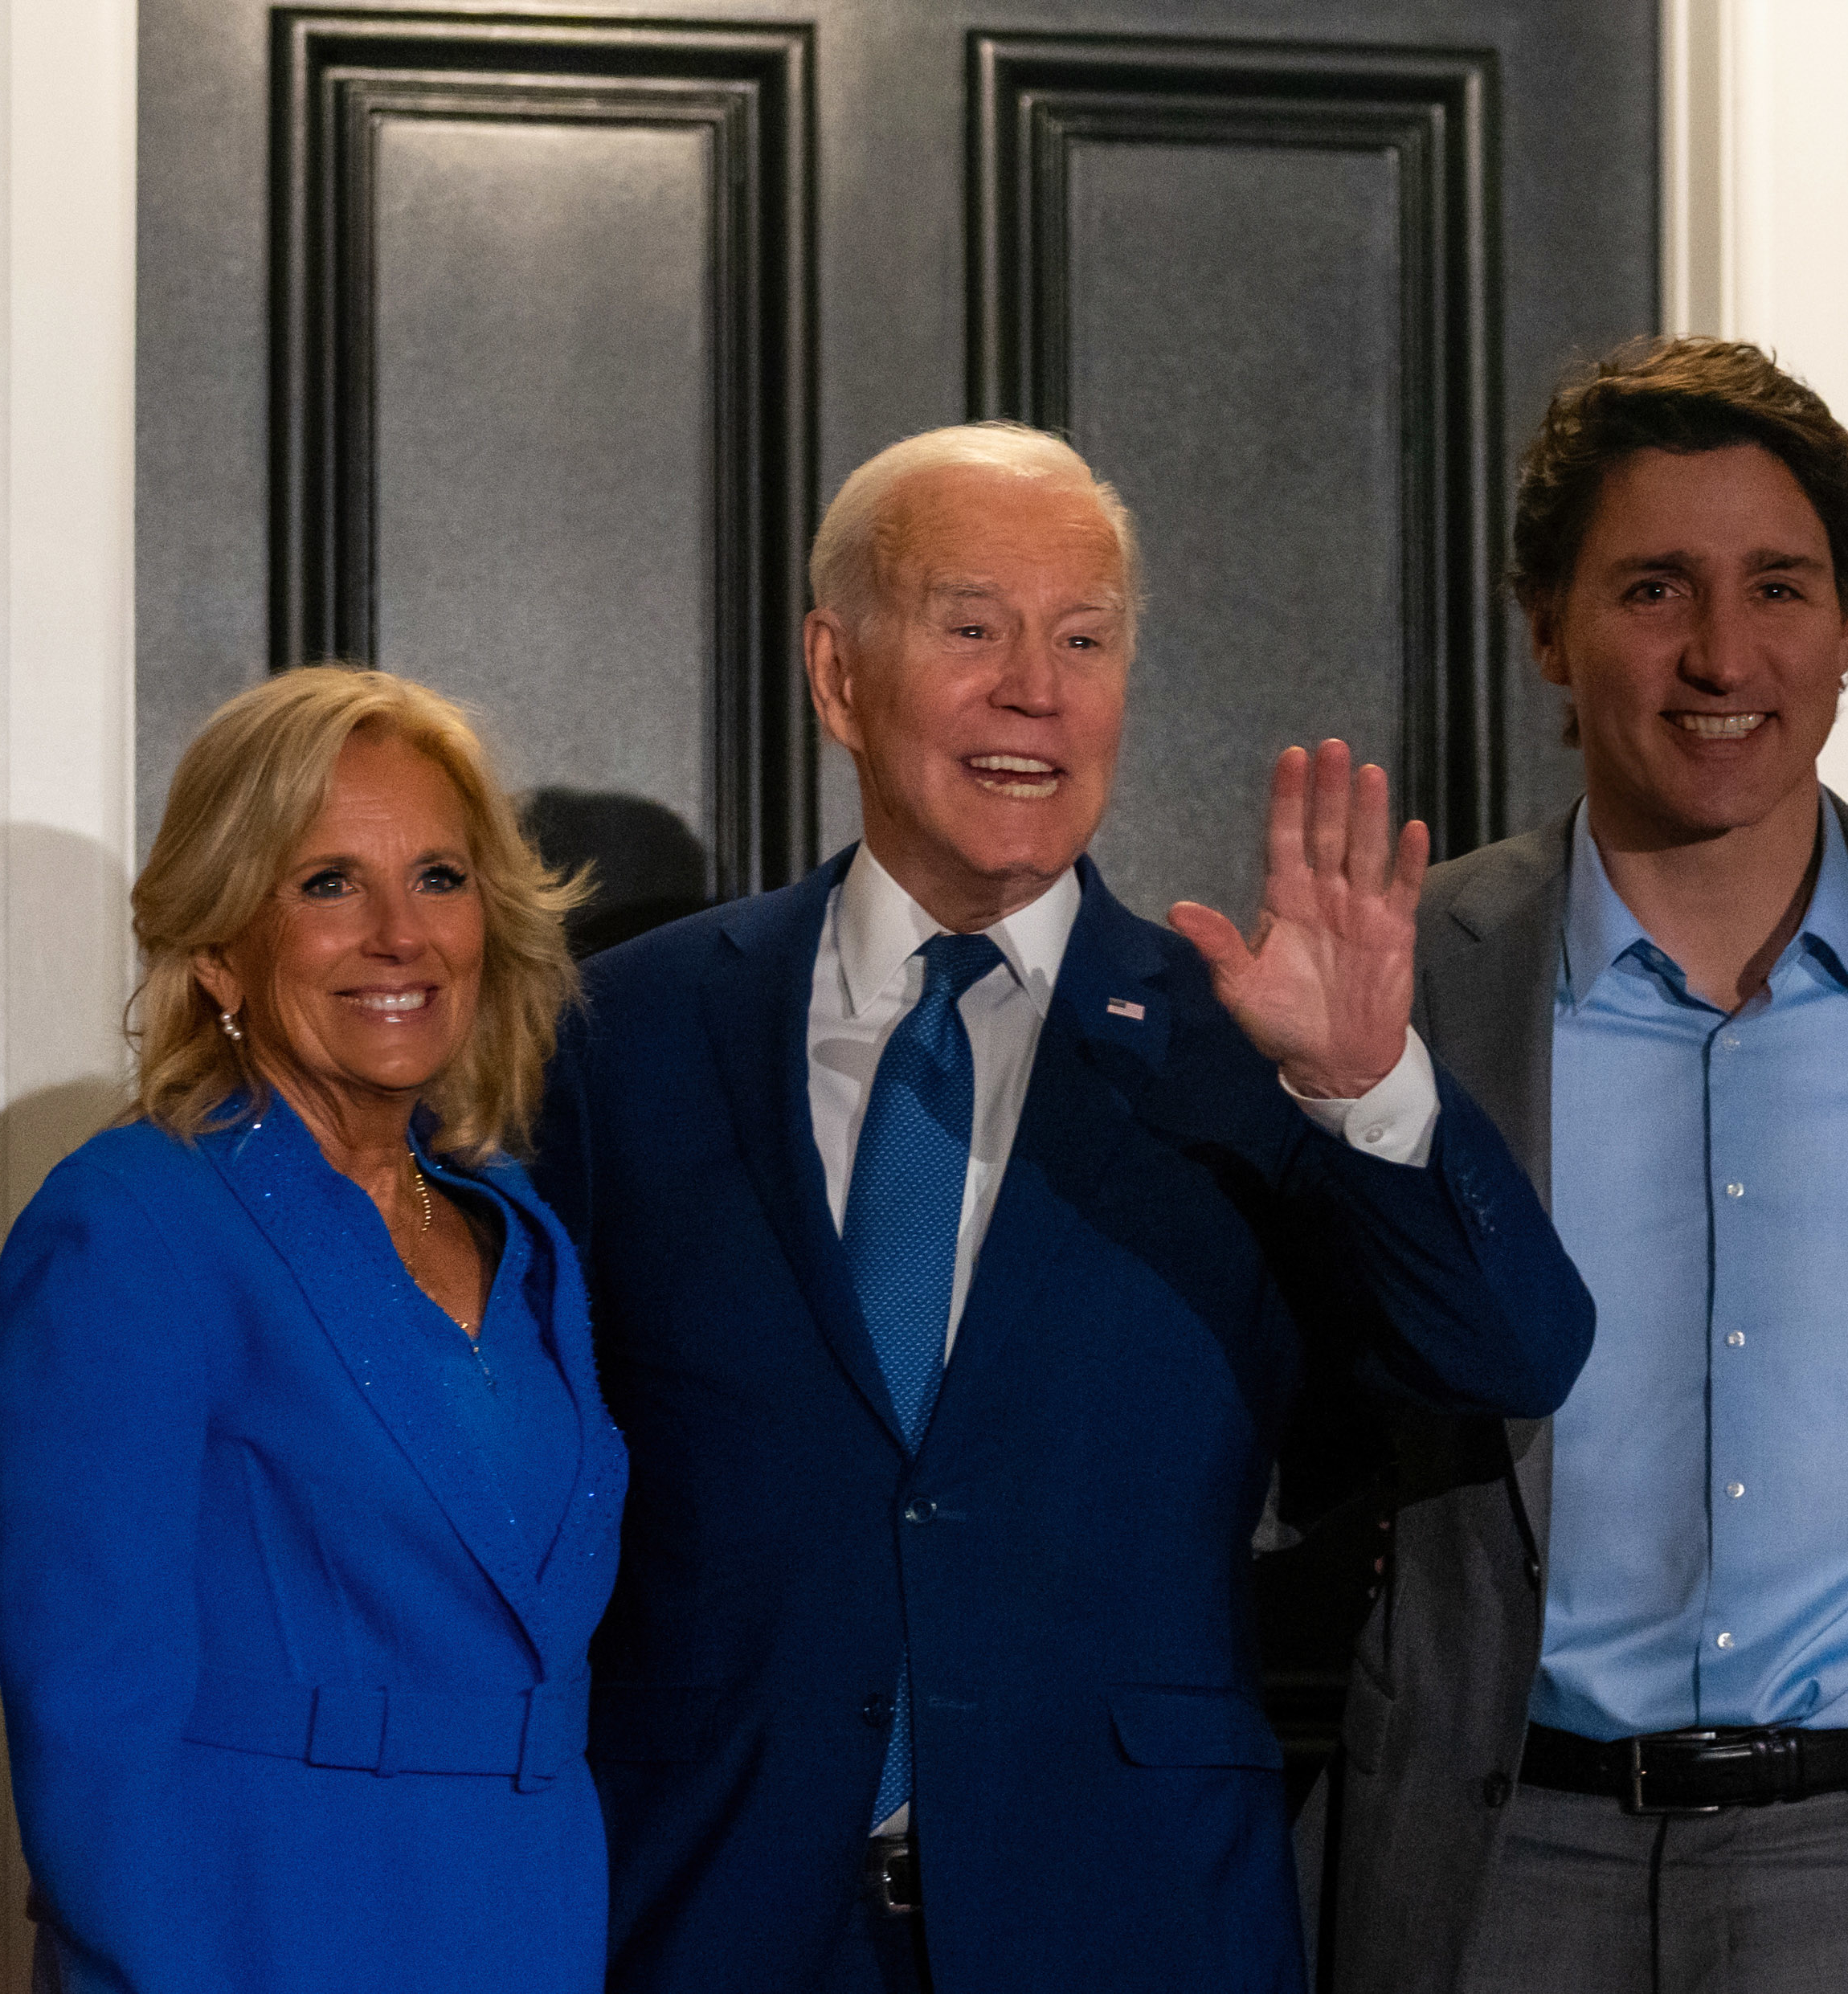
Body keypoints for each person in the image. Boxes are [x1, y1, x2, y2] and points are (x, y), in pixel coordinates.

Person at [536, 421, 1594, 1993]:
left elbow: (1510, 1351)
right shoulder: (625, 1032)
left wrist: (1371, 1084)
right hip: (709, 1913)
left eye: (1083, 637)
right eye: (971, 625)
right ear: (838, 673)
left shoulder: (1240, 1041)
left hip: (1130, 1917)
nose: (1034, 685)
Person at [1305, 337, 1848, 1994]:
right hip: (1494, 1865)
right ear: (1544, 621)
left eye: (1778, 586)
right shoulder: (1402, 975)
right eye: (1651, 589)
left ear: (1845, 626)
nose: (1720, 653)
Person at [0, 665, 623, 1994]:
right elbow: (94, 1733)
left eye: (439, 878)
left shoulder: (518, 1228)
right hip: (259, 1931)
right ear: (219, 948)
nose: (401, 933)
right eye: (328, 884)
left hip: (527, 1922)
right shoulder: (131, 1226)